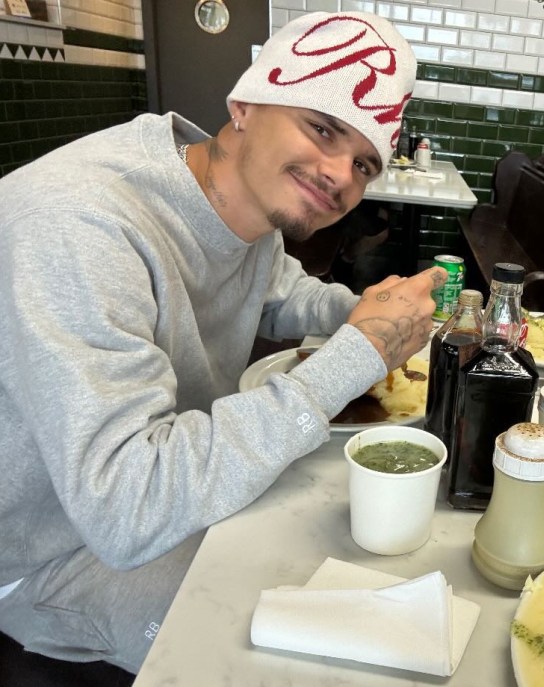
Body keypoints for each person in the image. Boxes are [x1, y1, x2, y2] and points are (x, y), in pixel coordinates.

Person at [0, 11, 444, 674]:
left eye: (364, 162)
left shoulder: (242, 199)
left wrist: (369, 314)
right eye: (322, 127)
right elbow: (126, 505)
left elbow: (279, 288)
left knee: (365, 572)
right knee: (315, 658)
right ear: (244, 102)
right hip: (49, 554)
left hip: (170, 497)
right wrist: (354, 355)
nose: (339, 175)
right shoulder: (79, 220)